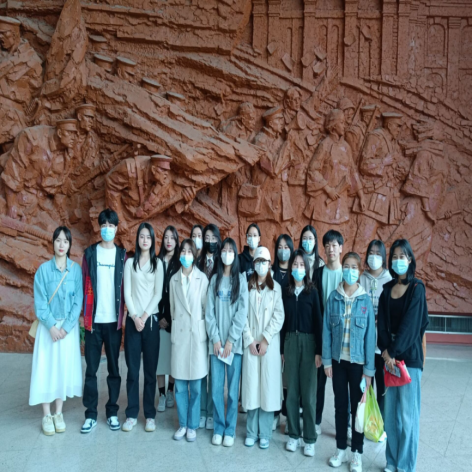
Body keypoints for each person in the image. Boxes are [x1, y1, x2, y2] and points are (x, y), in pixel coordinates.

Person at [378, 240, 429, 473]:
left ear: (410, 260)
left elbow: (411, 326)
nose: (398, 260)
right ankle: (392, 460)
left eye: (403, 256)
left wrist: (393, 352)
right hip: (389, 360)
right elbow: (382, 325)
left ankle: (406, 466)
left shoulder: (417, 289)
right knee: (391, 416)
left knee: (408, 417)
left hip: (409, 359)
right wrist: (386, 352)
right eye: (395, 256)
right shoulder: (386, 289)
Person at [323, 252, 376, 473]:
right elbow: (326, 331)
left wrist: (369, 371)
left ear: (360, 270)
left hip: (358, 365)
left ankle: (357, 454)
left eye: (354, 267)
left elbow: (370, 337)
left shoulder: (365, 300)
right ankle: (340, 449)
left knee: (357, 408)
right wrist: (327, 361)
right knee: (340, 406)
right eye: (347, 266)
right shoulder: (333, 298)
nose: (350, 270)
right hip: (338, 363)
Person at [29, 227, 83, 436]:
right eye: (58, 240)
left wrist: (66, 328)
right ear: (52, 243)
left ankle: (58, 413)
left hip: (67, 331)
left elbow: (78, 302)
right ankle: (46, 415)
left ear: (70, 245)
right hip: (47, 329)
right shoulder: (43, 271)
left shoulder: (75, 270)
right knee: (46, 369)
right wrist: (51, 326)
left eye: (65, 241)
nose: (61, 245)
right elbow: (40, 302)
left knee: (62, 369)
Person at [82, 209, 128, 434]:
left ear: (116, 228)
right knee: (91, 370)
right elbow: (83, 283)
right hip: (93, 321)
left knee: (113, 369)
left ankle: (112, 412)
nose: (107, 229)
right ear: (99, 228)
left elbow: (126, 287)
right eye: (104, 225)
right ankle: (90, 414)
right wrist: (83, 315)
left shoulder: (122, 256)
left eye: (111, 225)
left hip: (113, 322)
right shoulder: (90, 254)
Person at [206, 238, 248, 447]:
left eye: (231, 250)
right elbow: (209, 312)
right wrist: (216, 338)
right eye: (225, 249)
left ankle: (230, 430)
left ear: (235, 254)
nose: (227, 253)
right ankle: (218, 428)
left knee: (232, 391)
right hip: (216, 345)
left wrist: (231, 340)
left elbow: (242, 312)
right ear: (220, 253)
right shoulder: (214, 280)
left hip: (234, 346)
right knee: (216, 389)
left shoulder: (241, 280)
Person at [122, 223, 164, 433]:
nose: (145, 240)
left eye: (148, 236)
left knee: (149, 371)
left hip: (151, 322)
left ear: (152, 240)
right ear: (137, 239)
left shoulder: (158, 263)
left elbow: (158, 293)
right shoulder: (130, 263)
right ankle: (131, 414)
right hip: (133, 322)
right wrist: (135, 316)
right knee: (132, 370)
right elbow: (127, 293)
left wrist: (145, 316)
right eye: (142, 236)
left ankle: (149, 415)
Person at [242, 247, 284, 450]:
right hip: (251, 344)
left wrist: (265, 339)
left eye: (264, 261)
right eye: (258, 261)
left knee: (267, 388)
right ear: (254, 264)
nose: (261, 265)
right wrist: (250, 340)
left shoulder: (276, 288)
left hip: (269, 345)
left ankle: (265, 433)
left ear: (269, 264)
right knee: (252, 388)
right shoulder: (246, 286)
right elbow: (241, 315)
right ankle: (251, 432)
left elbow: (279, 316)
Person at [282, 250, 323, 457]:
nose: (298, 268)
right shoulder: (286, 292)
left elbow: (318, 322)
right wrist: (282, 349)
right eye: (295, 264)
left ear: (306, 269)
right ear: (290, 268)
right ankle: (293, 435)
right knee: (291, 392)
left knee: (308, 394)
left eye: (301, 265)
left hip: (309, 343)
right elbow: (281, 322)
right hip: (290, 341)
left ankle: (309, 438)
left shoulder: (312, 292)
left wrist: (319, 351)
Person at [169, 239, 210, 443]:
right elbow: (173, 309)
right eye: (183, 251)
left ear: (194, 255)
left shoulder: (202, 279)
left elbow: (206, 309)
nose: (186, 255)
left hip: (196, 336)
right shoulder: (173, 280)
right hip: (180, 335)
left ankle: (192, 425)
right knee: (179, 385)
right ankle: (182, 424)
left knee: (195, 386)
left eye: (189, 251)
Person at [314, 230, 345, 436]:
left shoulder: (347, 274)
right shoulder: (318, 274)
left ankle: (343, 427)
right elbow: (315, 311)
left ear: (340, 248)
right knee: (318, 385)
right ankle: (316, 422)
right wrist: (318, 348)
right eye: (327, 246)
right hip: (322, 339)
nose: (330, 249)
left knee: (341, 388)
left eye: (334, 245)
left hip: (342, 341)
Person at [360, 240, 392, 425]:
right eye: (371, 253)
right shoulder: (362, 279)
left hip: (382, 344)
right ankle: (363, 421)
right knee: (364, 384)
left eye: (378, 254)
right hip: (364, 342)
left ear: (384, 257)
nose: (374, 257)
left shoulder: (389, 280)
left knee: (382, 385)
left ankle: (380, 423)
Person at [156, 226, 180, 412]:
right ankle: (162, 394)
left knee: (172, 358)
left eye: (172, 237)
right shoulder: (156, 262)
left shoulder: (180, 264)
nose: (169, 241)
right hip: (157, 319)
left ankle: (171, 391)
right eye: (166, 237)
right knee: (159, 359)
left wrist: (169, 319)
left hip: (174, 320)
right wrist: (159, 317)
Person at [272, 233, 294, 429]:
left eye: (287, 247)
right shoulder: (270, 273)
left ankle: (286, 414)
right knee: (273, 374)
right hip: (272, 332)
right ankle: (274, 413)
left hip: (289, 330)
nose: (283, 250)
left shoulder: (295, 273)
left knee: (287, 377)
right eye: (280, 247)